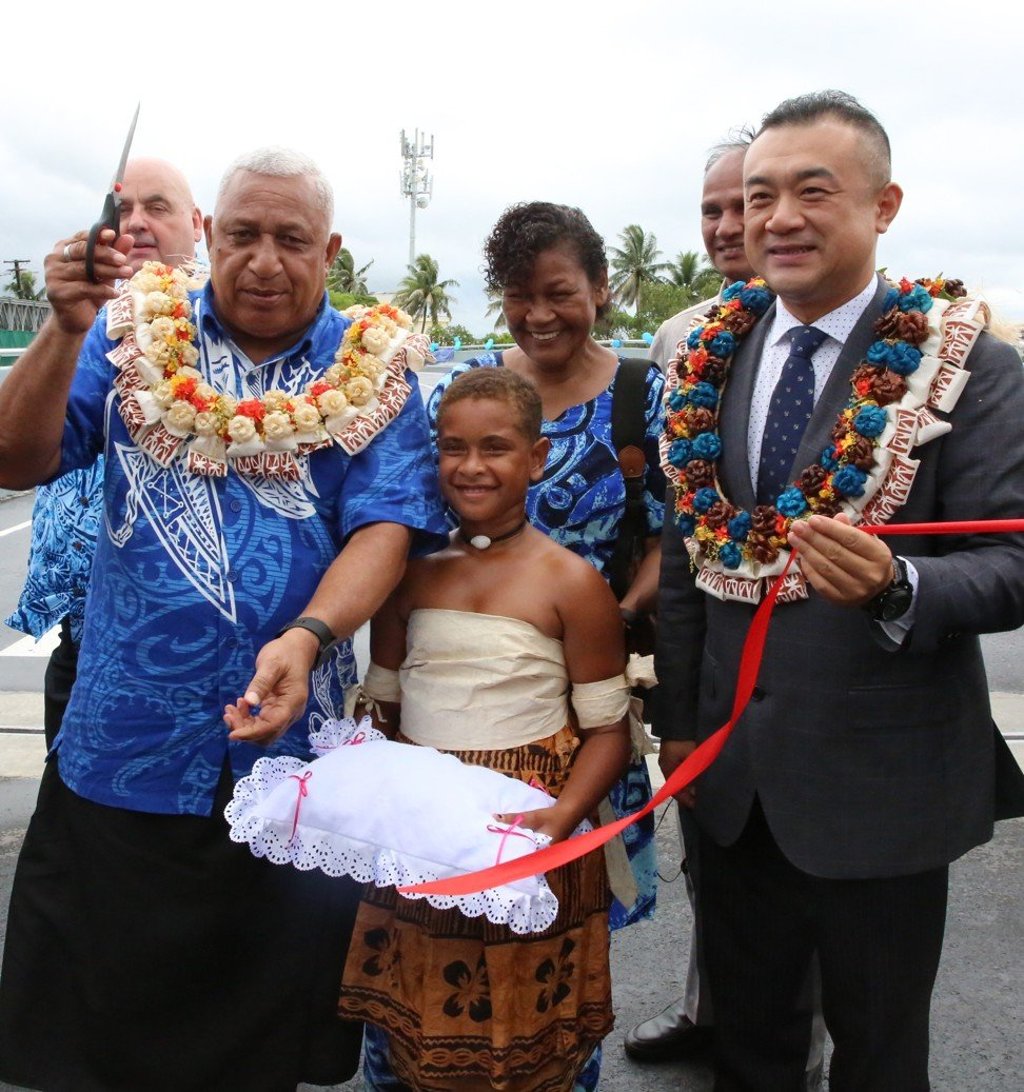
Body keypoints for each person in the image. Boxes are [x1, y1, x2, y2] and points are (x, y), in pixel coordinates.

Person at [0, 146, 447, 1091]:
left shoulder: (379, 365)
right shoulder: (127, 338)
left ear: (329, 250)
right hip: (124, 746)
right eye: (242, 234)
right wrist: (62, 328)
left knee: (258, 1041)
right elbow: (15, 458)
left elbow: (385, 529)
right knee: (102, 1026)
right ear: (208, 235)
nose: (264, 261)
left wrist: (311, 634)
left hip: (286, 759)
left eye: (291, 240)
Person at [657, 90, 1024, 1091]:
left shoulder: (968, 369)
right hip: (731, 787)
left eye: (812, 191)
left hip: (881, 789)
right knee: (750, 1050)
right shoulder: (707, 357)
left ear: (882, 204)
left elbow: (1011, 564)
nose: (777, 218)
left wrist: (897, 584)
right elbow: (688, 558)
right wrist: (681, 728)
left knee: (878, 1055)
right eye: (759, 193)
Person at [339, 367, 630, 1090]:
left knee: (527, 1023)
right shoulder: (408, 575)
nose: (470, 468)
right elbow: (386, 710)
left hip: (528, 831)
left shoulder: (571, 582)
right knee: (415, 1012)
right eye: (452, 447)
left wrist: (562, 815)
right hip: (424, 839)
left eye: (495, 448)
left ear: (535, 458)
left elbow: (608, 732)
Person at [627, 133, 827, 1090]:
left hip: (823, 672)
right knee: (723, 865)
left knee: (816, 888)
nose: (727, 226)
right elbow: (681, 516)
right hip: (711, 654)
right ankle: (716, 1009)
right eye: (711, 210)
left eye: (738, 205)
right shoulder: (685, 339)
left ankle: (803, 1036)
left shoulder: (869, 339)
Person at [4, 157, 204, 746]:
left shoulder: (230, 319)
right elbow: (12, 455)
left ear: (198, 224)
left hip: (195, 652)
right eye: (121, 211)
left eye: (157, 208)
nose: (136, 224)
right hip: (85, 642)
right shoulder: (83, 313)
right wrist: (64, 326)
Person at [647, 128, 756, 376]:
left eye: (743, 206)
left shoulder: (814, 326)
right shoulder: (675, 335)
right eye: (712, 212)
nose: (725, 228)